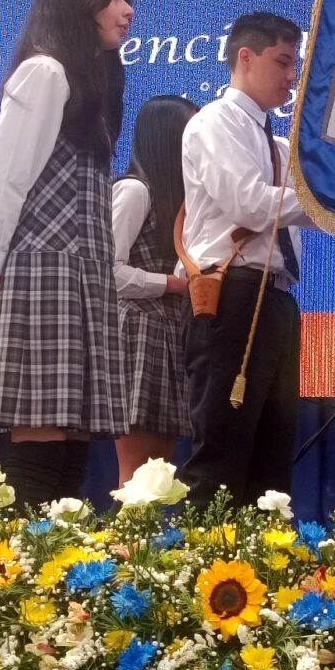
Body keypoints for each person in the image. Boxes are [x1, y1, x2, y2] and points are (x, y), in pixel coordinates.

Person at [0, 0, 136, 509]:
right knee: (40, 436)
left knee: (72, 441)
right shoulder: (45, 72)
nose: (126, 11)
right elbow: (5, 180)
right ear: (76, 4)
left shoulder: (87, 83)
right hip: (44, 271)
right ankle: (22, 559)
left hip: (81, 272)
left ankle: (58, 558)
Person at [179, 13, 307, 507]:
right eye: (282, 62)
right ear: (245, 57)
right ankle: (206, 554)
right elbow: (249, 204)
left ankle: (262, 554)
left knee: (271, 461)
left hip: (275, 299)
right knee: (221, 452)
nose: (291, 76)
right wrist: (326, 204)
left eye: (294, 65)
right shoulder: (215, 121)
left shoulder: (276, 143)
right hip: (231, 293)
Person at [111, 93, 199, 481]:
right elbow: (108, 272)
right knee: (135, 476)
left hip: (169, 332)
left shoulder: (179, 199)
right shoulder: (135, 190)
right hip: (137, 332)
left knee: (160, 475)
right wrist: (171, 284)